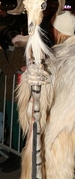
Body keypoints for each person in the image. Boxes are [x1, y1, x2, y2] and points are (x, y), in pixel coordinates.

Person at [0, 27, 27, 173]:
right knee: (13, 127)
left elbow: (9, 71)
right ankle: (14, 155)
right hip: (11, 94)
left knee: (16, 128)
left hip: (16, 95)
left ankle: (16, 157)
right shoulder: (16, 49)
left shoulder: (22, 50)